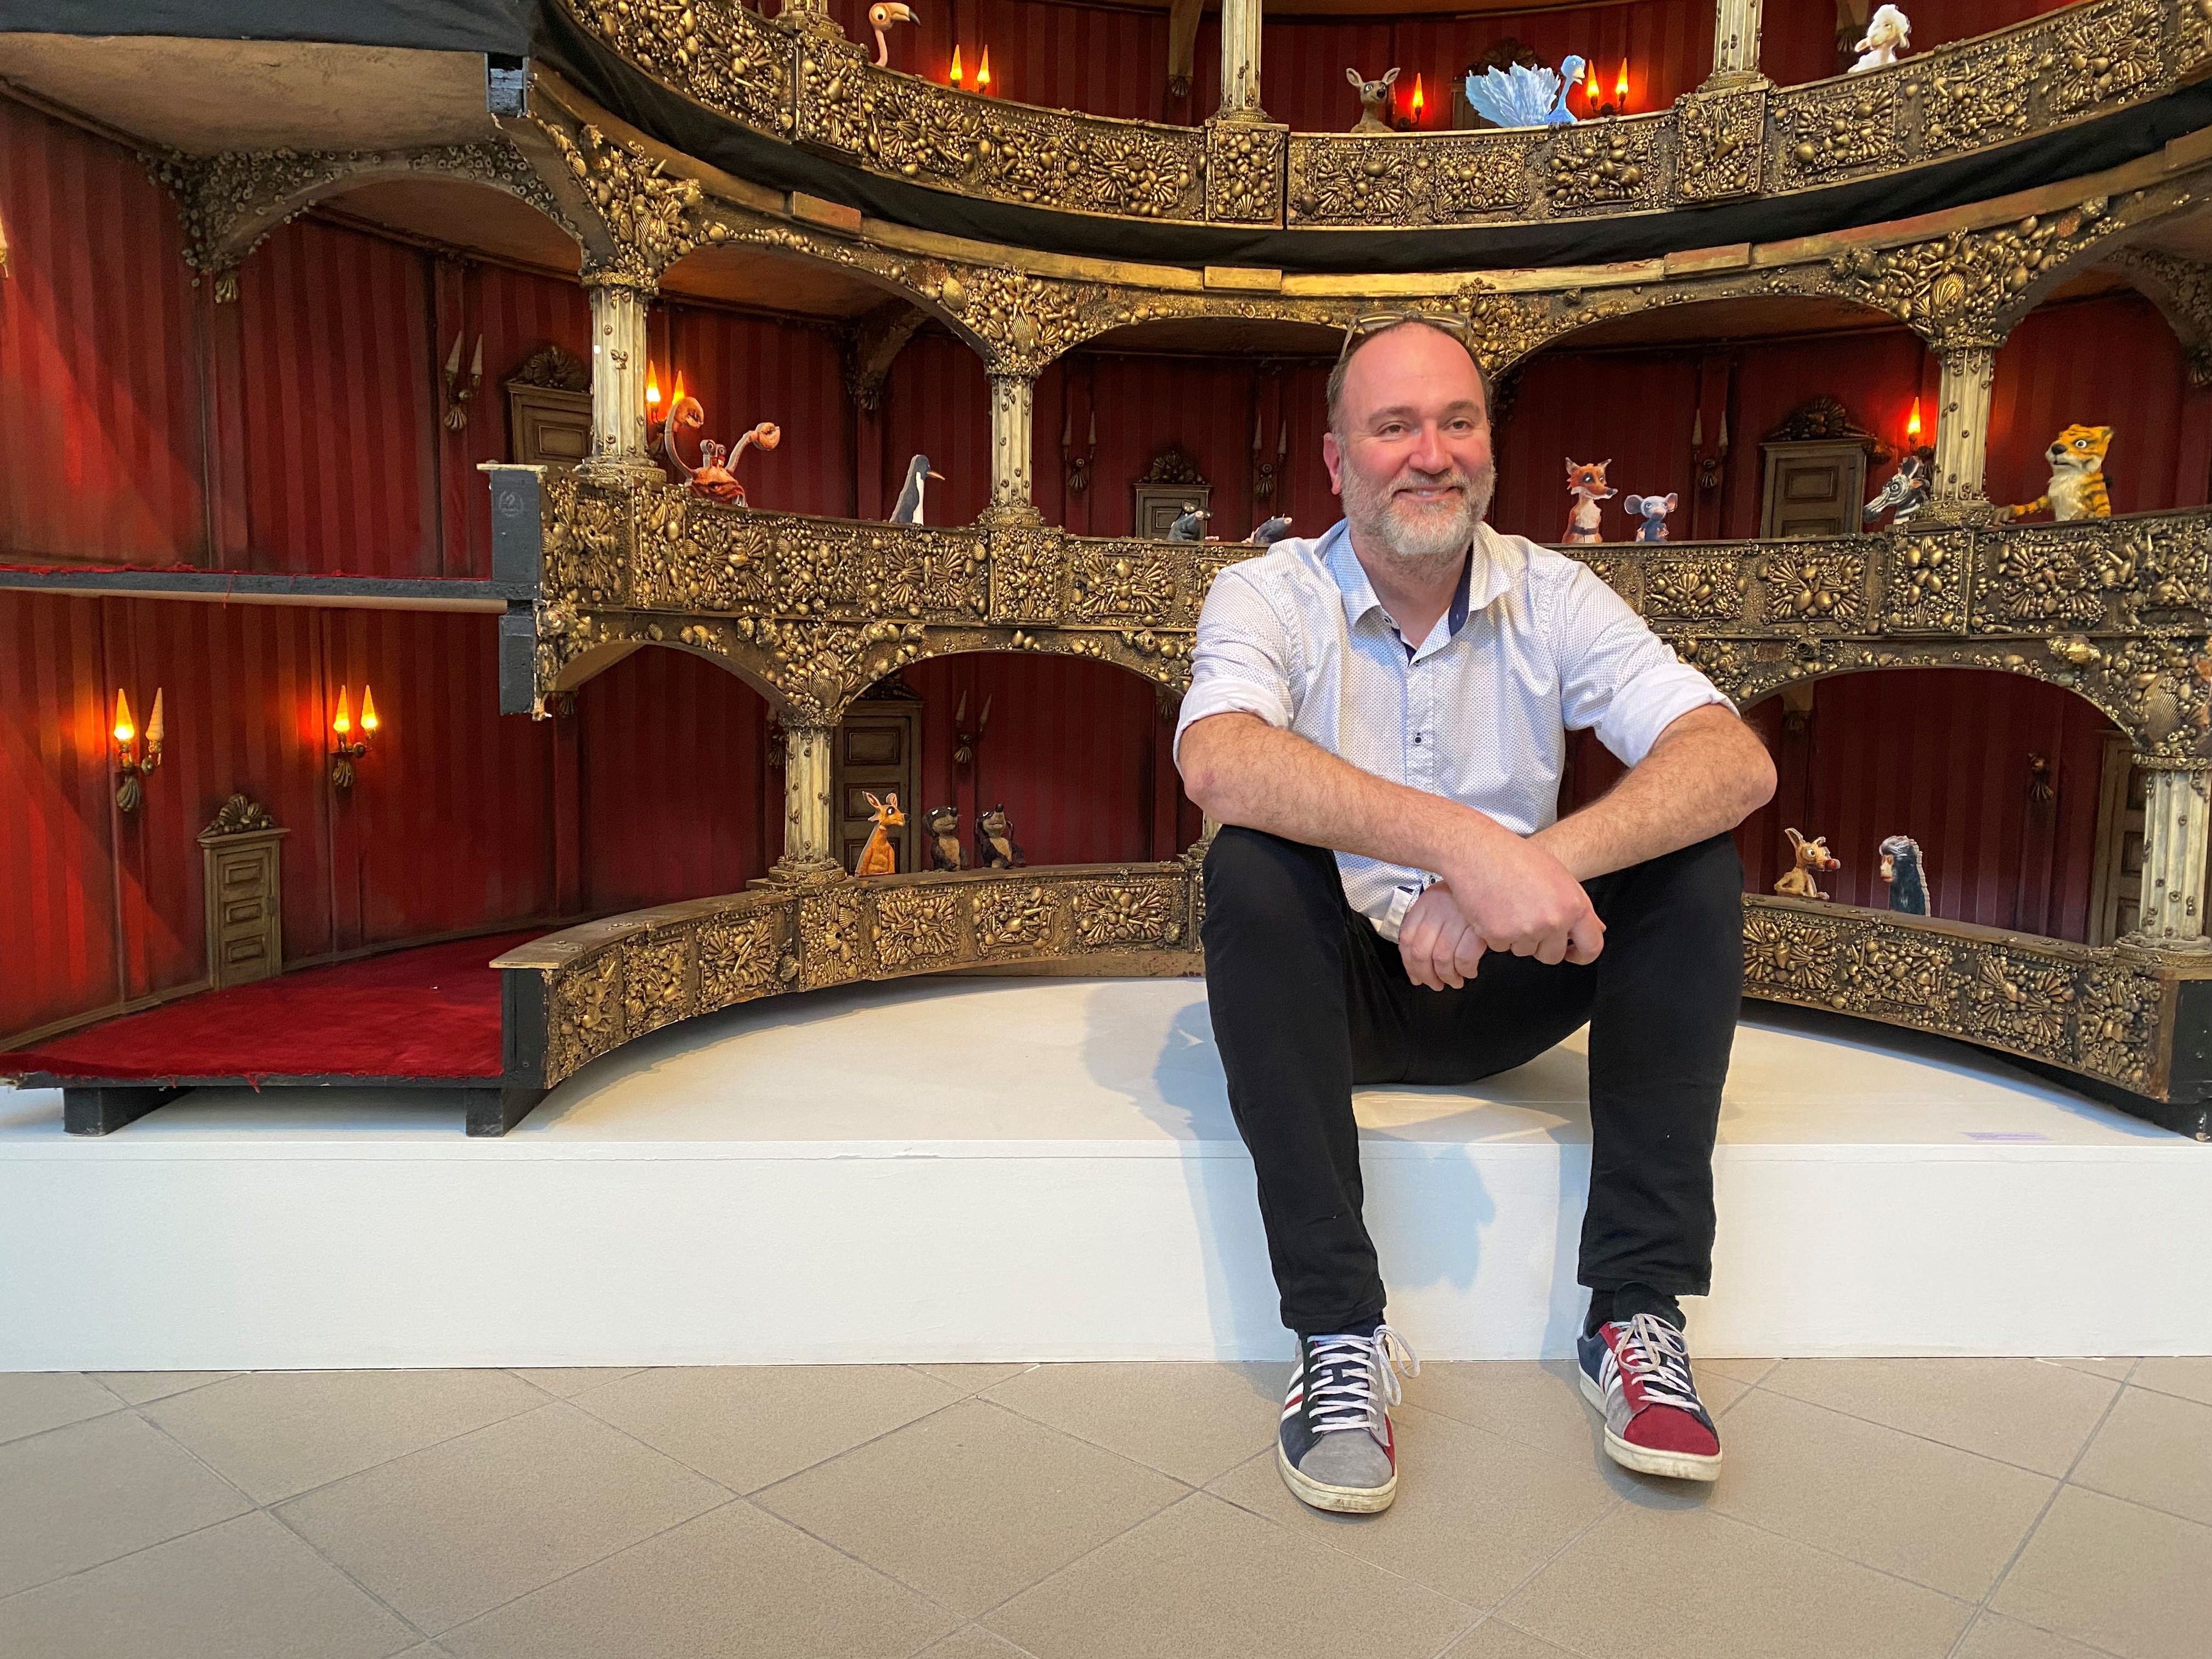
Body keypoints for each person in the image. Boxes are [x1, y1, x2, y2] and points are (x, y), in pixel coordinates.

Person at [1175, 314, 1776, 1513]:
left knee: (1694, 862)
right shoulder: (1266, 593)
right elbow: (1219, 757)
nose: (1431, 453)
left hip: (1514, 976)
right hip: (1339, 991)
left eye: (1458, 422)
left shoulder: (1555, 593)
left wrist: (1524, 871)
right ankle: (1338, 1336)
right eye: (1394, 426)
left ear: (1490, 448)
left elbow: (1732, 759)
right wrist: (1463, 845)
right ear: (1337, 459)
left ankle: (1635, 1313)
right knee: (1250, 865)